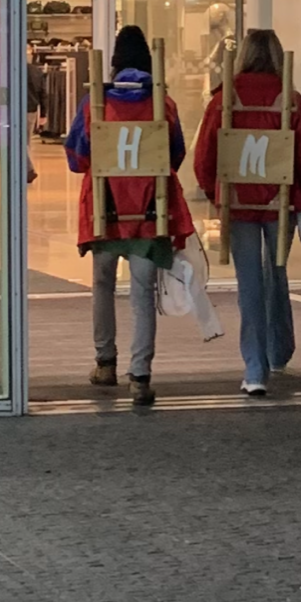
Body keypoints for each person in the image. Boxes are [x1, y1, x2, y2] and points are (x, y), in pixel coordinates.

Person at [65, 25, 194, 407]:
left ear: (115, 62)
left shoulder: (95, 101)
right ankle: (140, 375)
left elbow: (77, 157)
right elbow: (174, 155)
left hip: (105, 208)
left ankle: (105, 362)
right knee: (142, 293)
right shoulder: (162, 103)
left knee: (103, 285)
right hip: (149, 210)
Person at [194, 28, 301, 397]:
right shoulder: (292, 100)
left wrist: (216, 194)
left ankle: (254, 369)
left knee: (249, 283)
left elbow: (204, 158)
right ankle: (279, 350)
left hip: (238, 203)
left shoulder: (223, 99)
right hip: (281, 202)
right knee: (277, 272)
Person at [26, 44, 47, 185]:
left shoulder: (13, 71)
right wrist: (43, 113)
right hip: (32, 109)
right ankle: (25, 169)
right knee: (26, 141)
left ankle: (28, 170)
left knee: (18, 141)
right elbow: (43, 93)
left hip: (19, 109)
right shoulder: (37, 71)